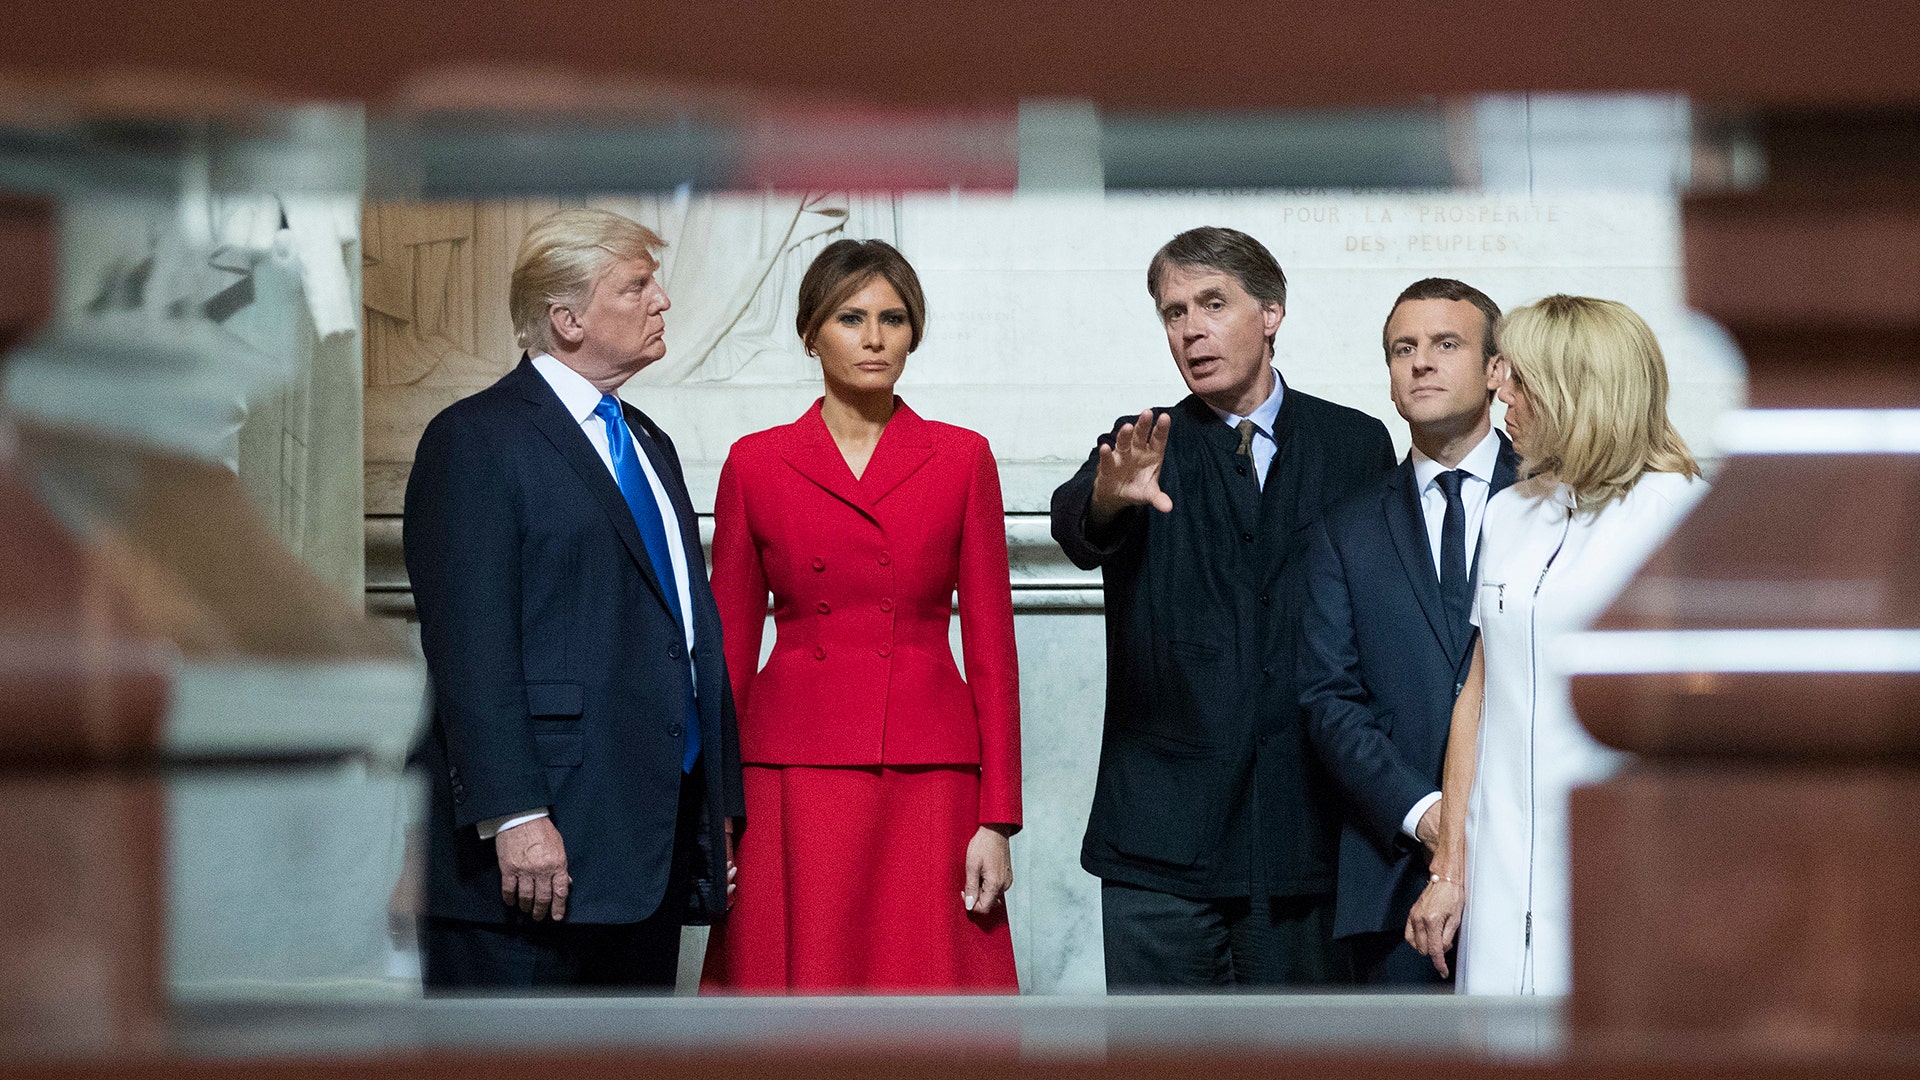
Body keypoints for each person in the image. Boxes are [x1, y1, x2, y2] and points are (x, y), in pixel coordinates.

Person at [403, 208, 743, 991]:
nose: (662, 300)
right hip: (531, 860)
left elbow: (687, 635)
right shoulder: (475, 439)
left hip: (643, 850)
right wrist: (515, 814)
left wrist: (712, 806)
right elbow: (469, 650)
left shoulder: (649, 441)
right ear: (566, 318)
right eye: (636, 285)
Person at [1052, 226, 1395, 991]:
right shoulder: (1141, 445)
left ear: (1270, 312)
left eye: (1213, 303)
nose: (1191, 329)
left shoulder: (1354, 445)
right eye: (1174, 313)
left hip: (1302, 841)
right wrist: (1110, 496)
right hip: (1160, 845)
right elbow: (1077, 522)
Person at [700, 239, 1020, 993]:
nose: (875, 337)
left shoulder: (962, 458)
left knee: (927, 998)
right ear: (811, 332)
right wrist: (714, 807)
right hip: (789, 772)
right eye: (851, 317)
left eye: (894, 318)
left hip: (929, 771)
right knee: (797, 1000)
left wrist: (997, 816)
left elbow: (994, 651)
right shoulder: (755, 461)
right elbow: (722, 654)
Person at [1405, 295, 1705, 995]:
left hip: (1625, 867)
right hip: (1502, 873)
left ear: (1575, 393)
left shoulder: (1679, 512)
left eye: (1518, 377)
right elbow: (1479, 693)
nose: (1497, 389)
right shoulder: (1509, 512)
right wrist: (1450, 868)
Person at [1300, 278, 1520, 987]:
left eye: (1445, 344)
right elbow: (1329, 698)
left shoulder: (1551, 496)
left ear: (1496, 371)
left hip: (1535, 860)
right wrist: (1430, 817)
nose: (1420, 362)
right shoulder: (1346, 529)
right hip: (1395, 882)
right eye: (1404, 348)